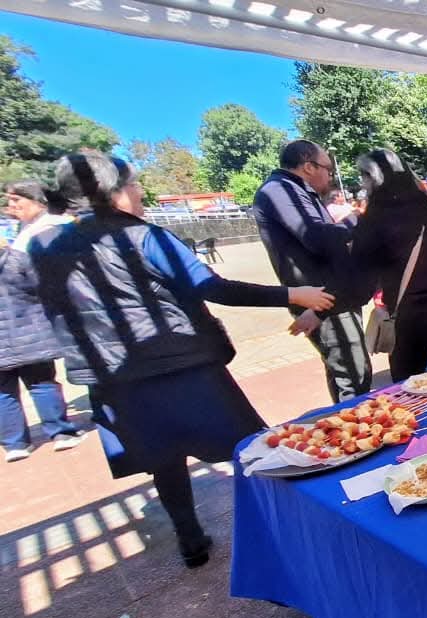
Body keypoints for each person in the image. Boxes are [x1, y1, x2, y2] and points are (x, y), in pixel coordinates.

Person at [28, 151, 334, 567]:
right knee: (259, 449)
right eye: (133, 184)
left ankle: (190, 541)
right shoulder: (145, 238)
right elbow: (214, 287)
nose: (139, 193)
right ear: (113, 192)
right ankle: (303, 529)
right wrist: (291, 294)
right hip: (181, 367)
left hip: (114, 378)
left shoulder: (43, 247)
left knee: (164, 460)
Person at [252, 139, 371, 403]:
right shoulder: (280, 191)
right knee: (353, 379)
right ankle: (359, 435)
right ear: (308, 166)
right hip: (322, 300)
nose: (330, 177)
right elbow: (319, 238)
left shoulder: (294, 191)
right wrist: (359, 218)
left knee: (350, 373)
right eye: (328, 169)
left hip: (331, 298)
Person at [352, 149, 427, 381]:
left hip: (407, 319)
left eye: (363, 177)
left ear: (373, 179)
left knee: (410, 390)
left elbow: (360, 280)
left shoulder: (372, 221)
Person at [1, 180, 82, 461]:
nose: (11, 209)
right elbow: (40, 286)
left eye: (16, 202)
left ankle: (14, 444)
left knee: (3, 393)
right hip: (30, 332)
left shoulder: (41, 232)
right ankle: (60, 432)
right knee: (42, 382)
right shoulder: (16, 257)